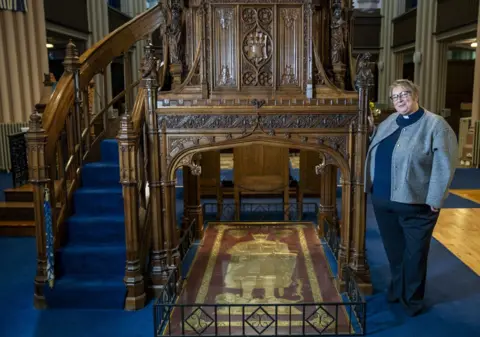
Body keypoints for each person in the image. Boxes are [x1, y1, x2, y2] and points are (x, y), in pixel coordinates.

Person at [364, 79, 458, 316]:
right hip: (383, 201)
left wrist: (436, 198)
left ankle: (412, 300)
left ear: (416, 95)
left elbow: (444, 164)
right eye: (395, 96)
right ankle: (398, 290)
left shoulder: (435, 125)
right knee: (395, 252)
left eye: (404, 94)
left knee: (414, 254)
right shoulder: (388, 122)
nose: (400, 100)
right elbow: (375, 141)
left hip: (416, 204)